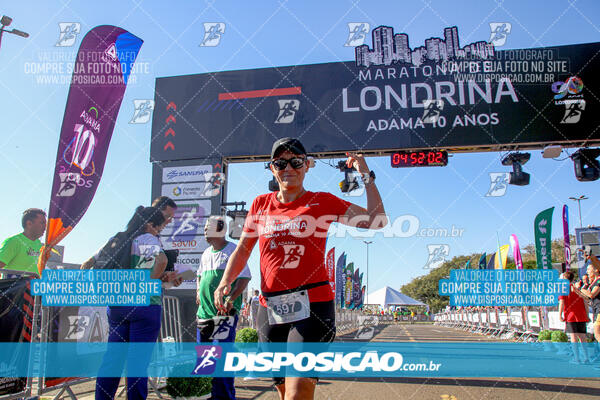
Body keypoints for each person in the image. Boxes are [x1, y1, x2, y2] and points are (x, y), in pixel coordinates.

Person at [214, 137, 387, 400]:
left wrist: (365, 175)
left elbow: (376, 221)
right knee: (284, 392)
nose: (288, 168)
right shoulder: (261, 204)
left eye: (296, 162)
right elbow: (243, 250)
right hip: (270, 308)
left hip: (313, 307)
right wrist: (225, 281)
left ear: (307, 166)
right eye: (280, 163)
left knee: (298, 393)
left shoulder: (323, 201)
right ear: (272, 168)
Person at [95, 206, 170, 400]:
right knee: (137, 364)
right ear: (149, 224)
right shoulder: (148, 239)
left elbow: (89, 263)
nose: (159, 231)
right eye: (158, 227)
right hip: (144, 307)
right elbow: (161, 261)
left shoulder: (117, 238)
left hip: (118, 304)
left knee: (112, 361)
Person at [196, 216, 251, 400]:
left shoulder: (233, 251)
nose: (204, 230)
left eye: (208, 228)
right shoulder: (205, 254)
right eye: (204, 227)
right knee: (204, 360)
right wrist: (198, 291)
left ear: (220, 230)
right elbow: (199, 276)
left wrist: (231, 298)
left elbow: (244, 278)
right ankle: (207, 395)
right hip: (204, 314)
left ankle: (225, 396)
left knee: (220, 358)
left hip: (223, 315)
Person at [0, 208, 47, 276]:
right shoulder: (13, 242)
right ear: (29, 223)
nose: (45, 226)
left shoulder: (39, 244)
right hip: (14, 286)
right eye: (42, 223)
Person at [558, 270, 590, 363]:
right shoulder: (578, 288)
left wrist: (560, 315)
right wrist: (587, 315)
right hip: (581, 315)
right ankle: (586, 357)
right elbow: (585, 301)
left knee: (573, 337)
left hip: (570, 316)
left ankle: (577, 358)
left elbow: (562, 302)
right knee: (583, 337)